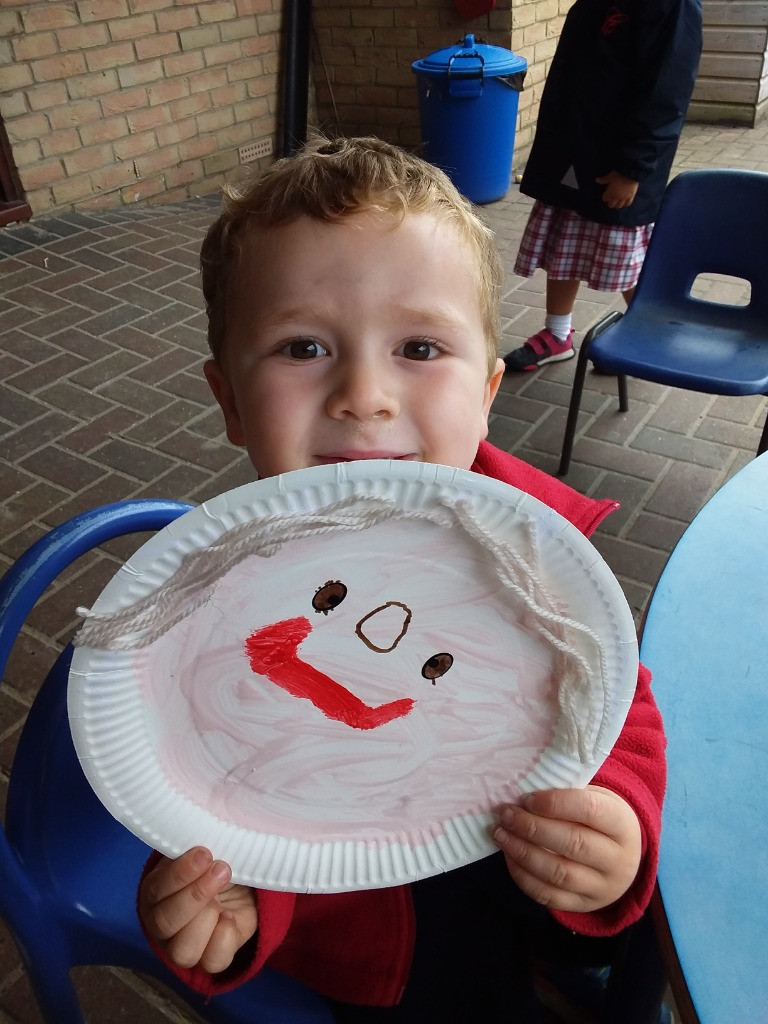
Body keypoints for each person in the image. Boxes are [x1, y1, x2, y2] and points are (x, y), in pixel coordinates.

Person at [136, 136, 666, 1022]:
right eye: (303, 347)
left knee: (628, 934)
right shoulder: (213, 604)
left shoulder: (538, 557)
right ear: (229, 401)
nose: (365, 395)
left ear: (489, 388)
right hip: (382, 929)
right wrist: (224, 904)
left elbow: (621, 706)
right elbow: (201, 776)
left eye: (420, 347)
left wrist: (617, 816)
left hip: (524, 846)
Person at [503, 0, 702, 372]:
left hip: (619, 166)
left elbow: (667, 94)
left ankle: (649, 335)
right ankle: (558, 334)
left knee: (628, 257)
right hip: (573, 151)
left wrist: (633, 170)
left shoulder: (673, 8)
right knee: (563, 242)